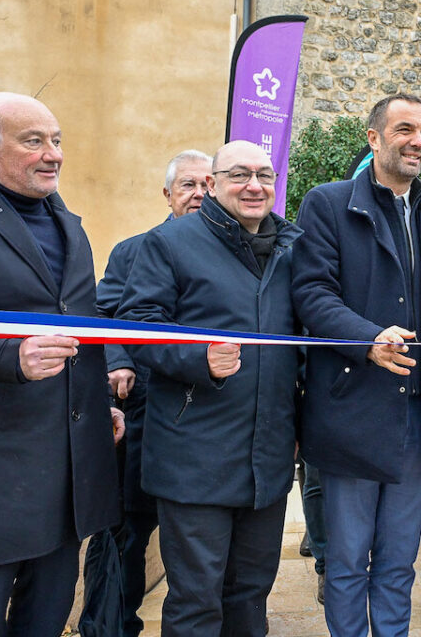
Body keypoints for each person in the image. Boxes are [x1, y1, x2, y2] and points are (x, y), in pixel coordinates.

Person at [0, 92, 121, 637]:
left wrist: (98, 399)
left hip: (65, 474)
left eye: (56, 140)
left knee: (47, 618)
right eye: (33, 141)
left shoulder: (69, 223)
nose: (53, 154)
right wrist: (8, 356)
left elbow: (83, 325)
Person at [117, 140, 302, 636]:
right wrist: (198, 359)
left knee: (250, 596)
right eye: (239, 174)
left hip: (268, 457)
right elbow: (137, 325)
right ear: (214, 185)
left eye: (264, 175)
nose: (254, 185)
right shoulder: (171, 243)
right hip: (194, 456)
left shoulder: (293, 248)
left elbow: (305, 340)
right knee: (197, 601)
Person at [292, 93, 421, 637]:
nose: (418, 142)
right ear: (374, 138)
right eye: (405, 129)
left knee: (399, 562)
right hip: (350, 414)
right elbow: (311, 293)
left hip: (417, 419)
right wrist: (367, 340)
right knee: (347, 562)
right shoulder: (328, 203)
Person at [95, 149, 211, 637]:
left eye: (208, 183)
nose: (200, 194)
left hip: (211, 421)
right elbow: (103, 315)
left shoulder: (246, 255)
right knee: (127, 533)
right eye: (188, 185)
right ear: (167, 195)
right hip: (144, 413)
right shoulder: (134, 249)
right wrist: (118, 360)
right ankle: (113, 625)